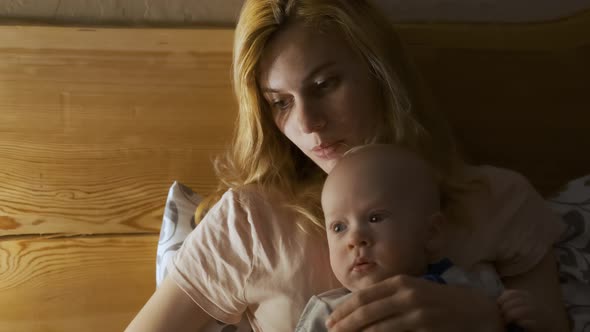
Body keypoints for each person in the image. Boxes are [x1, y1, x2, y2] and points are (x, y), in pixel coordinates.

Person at [126, 0, 570, 331]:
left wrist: (484, 319)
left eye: (324, 84)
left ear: (379, 73)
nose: (307, 124)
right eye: (280, 103)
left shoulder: (497, 200)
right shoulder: (252, 222)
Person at [295, 144, 539, 332]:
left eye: (375, 218)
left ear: (431, 233)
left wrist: (517, 318)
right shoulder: (328, 313)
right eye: (339, 227)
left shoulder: (471, 287)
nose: (354, 238)